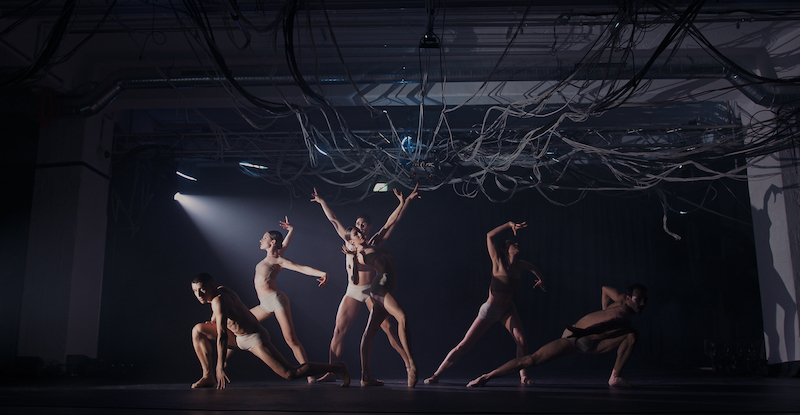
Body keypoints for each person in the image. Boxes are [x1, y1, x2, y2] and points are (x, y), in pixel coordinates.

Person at [311, 185, 419, 387]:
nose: (359, 227)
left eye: (363, 225)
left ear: (369, 227)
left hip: (372, 291)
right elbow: (333, 219)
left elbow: (391, 222)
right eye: (357, 224)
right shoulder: (349, 241)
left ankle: (408, 365)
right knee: (339, 330)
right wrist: (322, 201)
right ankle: (331, 371)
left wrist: (403, 203)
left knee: (389, 329)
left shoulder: (375, 242)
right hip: (353, 291)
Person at [424, 221, 546, 385]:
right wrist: (509, 224)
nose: (516, 245)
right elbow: (490, 235)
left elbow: (534, 268)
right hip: (490, 310)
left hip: (507, 309)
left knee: (521, 340)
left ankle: (523, 376)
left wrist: (540, 279)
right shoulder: (498, 262)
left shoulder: (520, 265)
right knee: (464, 345)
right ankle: (437, 374)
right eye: (512, 244)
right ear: (504, 250)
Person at [466, 284, 648, 388]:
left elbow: (605, 296)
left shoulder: (622, 305)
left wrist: (601, 313)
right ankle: (487, 377)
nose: (641, 304)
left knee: (632, 335)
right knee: (531, 360)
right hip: (575, 338)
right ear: (628, 298)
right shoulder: (622, 315)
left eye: (644, 301)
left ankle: (614, 377)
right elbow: (602, 322)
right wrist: (588, 327)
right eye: (637, 299)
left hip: (589, 340)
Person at [189, 273, 350, 389]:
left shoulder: (218, 301)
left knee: (291, 373)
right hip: (237, 337)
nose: (198, 294)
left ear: (211, 286)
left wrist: (220, 366)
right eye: (195, 291)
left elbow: (223, 335)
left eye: (202, 289)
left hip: (253, 337)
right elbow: (226, 312)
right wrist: (213, 320)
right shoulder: (222, 290)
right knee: (198, 330)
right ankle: (208, 376)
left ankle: (338, 368)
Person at [247, 217, 329, 383]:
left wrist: (322, 273)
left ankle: (310, 375)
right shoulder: (273, 256)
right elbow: (283, 245)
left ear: (272, 242)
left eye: (264, 238)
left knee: (291, 339)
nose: (261, 240)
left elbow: (300, 268)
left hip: (276, 300)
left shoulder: (279, 260)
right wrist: (291, 230)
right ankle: (221, 365)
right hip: (264, 304)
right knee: (241, 323)